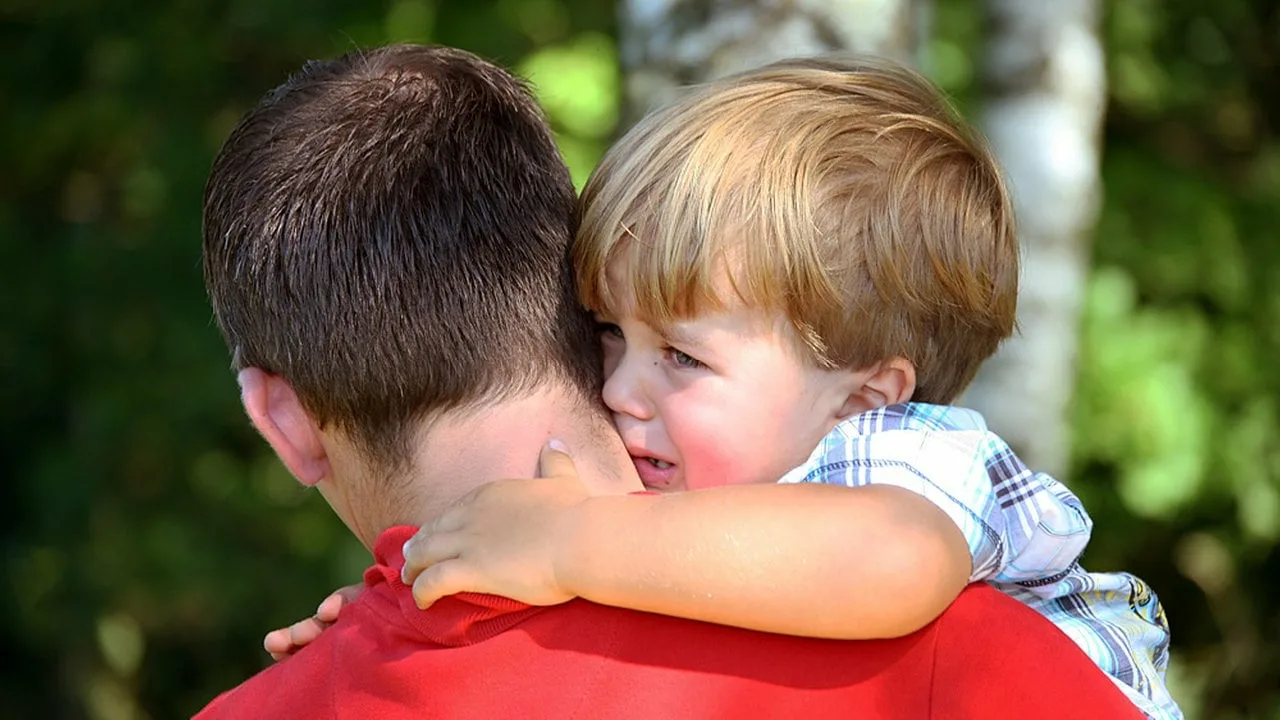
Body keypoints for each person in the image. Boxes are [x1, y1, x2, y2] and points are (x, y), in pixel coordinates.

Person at [197, 43, 1144, 719]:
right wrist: (415, 581)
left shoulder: (903, 472)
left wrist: (570, 539)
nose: (619, 390)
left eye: (683, 357)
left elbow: (894, 560)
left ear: (867, 393)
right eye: (607, 334)